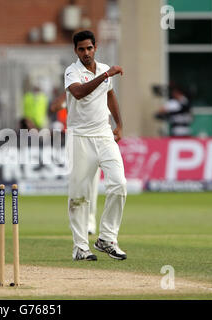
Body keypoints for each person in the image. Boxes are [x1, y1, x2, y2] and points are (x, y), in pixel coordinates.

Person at [65, 30, 127, 261]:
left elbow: (110, 96)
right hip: (79, 138)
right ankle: (81, 248)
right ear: (76, 51)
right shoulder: (72, 72)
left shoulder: (103, 70)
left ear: (95, 47)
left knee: (119, 184)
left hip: (103, 135)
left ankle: (107, 239)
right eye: (81, 49)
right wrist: (106, 74)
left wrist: (119, 124)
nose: (86, 53)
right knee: (79, 196)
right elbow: (79, 93)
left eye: (89, 48)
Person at [50, 91, 100, 235]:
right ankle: (77, 220)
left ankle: (90, 221)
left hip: (95, 142)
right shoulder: (72, 95)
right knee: (76, 183)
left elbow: (106, 119)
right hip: (75, 143)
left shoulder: (97, 95)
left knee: (92, 185)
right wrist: (68, 94)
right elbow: (54, 107)